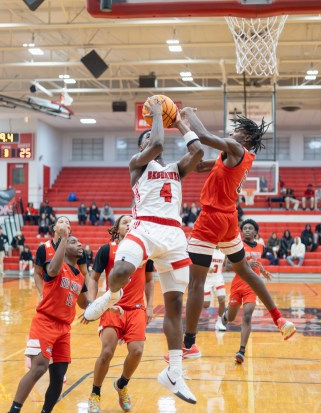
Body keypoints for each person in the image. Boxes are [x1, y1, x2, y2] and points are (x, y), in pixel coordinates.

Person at [83, 99, 204, 405]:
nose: (152, 140)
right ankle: (108, 298)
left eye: (152, 136)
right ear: (141, 146)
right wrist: (160, 117)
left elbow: (199, 152)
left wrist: (180, 121)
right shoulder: (137, 164)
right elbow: (159, 142)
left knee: (175, 305)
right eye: (146, 138)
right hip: (144, 227)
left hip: (174, 234)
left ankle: (174, 372)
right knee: (122, 271)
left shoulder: (176, 170)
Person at [176, 107, 295, 362]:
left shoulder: (235, 148)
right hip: (229, 219)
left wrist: (185, 116)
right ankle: (279, 318)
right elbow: (203, 165)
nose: (233, 132)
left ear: (247, 138)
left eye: (238, 130)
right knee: (245, 271)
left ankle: (189, 344)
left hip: (211, 218)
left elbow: (205, 135)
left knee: (195, 283)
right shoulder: (236, 156)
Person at [8, 225, 91, 413]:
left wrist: (109, 303)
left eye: (79, 242)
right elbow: (53, 268)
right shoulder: (55, 265)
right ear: (63, 245)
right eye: (73, 242)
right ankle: (14, 410)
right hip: (45, 322)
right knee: (38, 368)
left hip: (64, 329)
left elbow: (86, 304)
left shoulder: (79, 277)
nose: (79, 244)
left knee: (59, 375)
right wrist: (63, 238)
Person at [85, 215, 155, 413]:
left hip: (136, 308)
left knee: (137, 351)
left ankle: (122, 385)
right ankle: (95, 394)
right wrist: (93, 304)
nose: (129, 224)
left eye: (133, 222)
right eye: (125, 222)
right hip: (112, 306)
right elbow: (93, 277)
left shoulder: (144, 250)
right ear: (117, 228)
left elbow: (149, 281)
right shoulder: (107, 250)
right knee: (107, 352)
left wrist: (150, 306)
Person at [220, 219, 273, 363]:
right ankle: (225, 316)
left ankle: (241, 350)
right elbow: (227, 267)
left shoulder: (261, 247)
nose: (247, 230)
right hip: (238, 284)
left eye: (250, 228)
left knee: (248, 315)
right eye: (245, 228)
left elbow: (257, 262)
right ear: (242, 232)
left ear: (256, 232)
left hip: (252, 286)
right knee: (231, 318)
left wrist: (263, 270)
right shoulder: (236, 246)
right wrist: (245, 265)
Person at [33, 216, 88, 303]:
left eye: (67, 223)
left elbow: (85, 273)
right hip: (49, 296)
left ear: (69, 229)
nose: (64, 224)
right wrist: (41, 294)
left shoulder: (77, 250)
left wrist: (86, 297)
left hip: (68, 297)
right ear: (54, 228)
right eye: (61, 222)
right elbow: (37, 273)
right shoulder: (43, 248)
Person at [203, 248, 227, 331]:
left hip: (218, 278)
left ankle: (219, 322)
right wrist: (206, 269)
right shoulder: (207, 249)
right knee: (206, 305)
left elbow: (226, 266)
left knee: (222, 300)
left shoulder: (223, 251)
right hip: (206, 279)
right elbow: (198, 264)